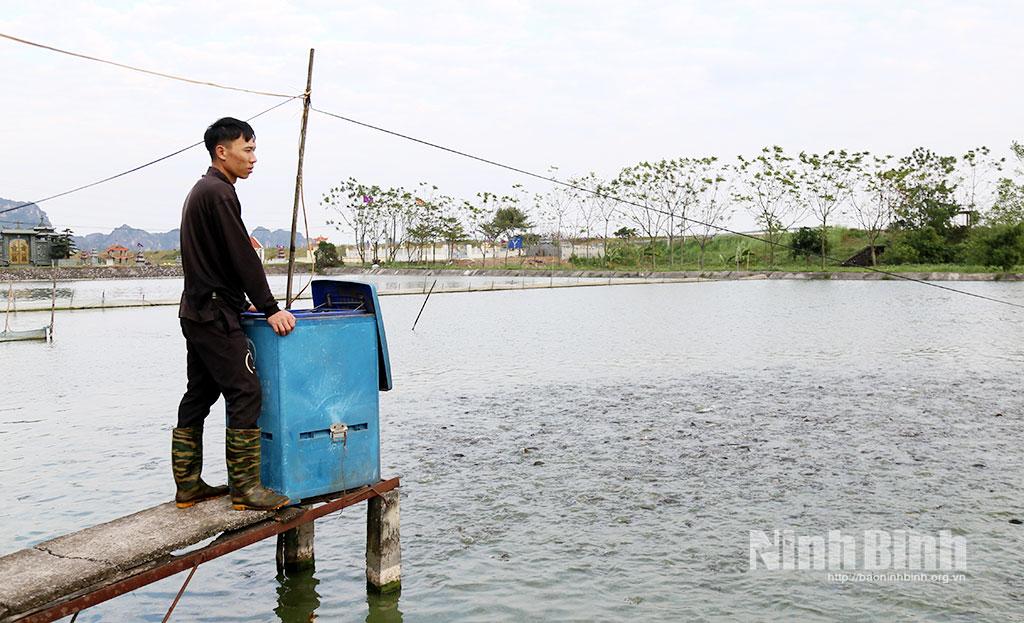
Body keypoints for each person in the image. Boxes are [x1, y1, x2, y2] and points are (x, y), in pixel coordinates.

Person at [171, 117, 296, 511]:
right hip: (215, 314)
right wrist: (271, 308)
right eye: (248, 149)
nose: (253, 158)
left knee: (201, 392)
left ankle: (188, 486)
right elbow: (242, 256)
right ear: (221, 152)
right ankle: (245, 489)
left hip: (195, 311)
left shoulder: (202, 190)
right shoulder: (220, 193)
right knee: (245, 390)